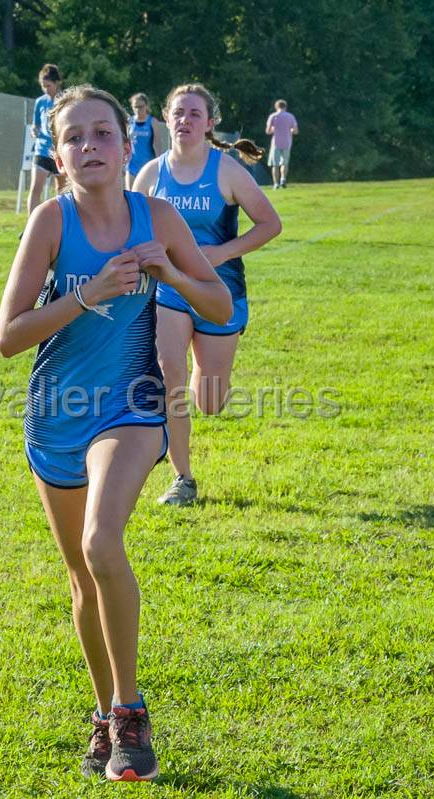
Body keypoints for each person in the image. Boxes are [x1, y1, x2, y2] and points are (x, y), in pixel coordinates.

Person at [0, 85, 231, 781]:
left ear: (129, 148)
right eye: (76, 138)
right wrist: (88, 294)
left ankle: (131, 713)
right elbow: (8, 337)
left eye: (104, 134)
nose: (91, 147)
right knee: (81, 578)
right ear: (58, 154)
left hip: (129, 408)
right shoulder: (48, 222)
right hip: (55, 414)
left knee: (103, 542)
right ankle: (104, 717)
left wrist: (168, 271)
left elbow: (216, 299)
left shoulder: (153, 215)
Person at [133, 83, 282, 506]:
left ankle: (207, 376)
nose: (185, 120)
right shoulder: (149, 175)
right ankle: (183, 478)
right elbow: (129, 228)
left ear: (209, 123)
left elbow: (270, 224)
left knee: (210, 400)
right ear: (167, 119)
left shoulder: (228, 171)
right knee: (168, 377)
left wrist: (222, 252)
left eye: (195, 114)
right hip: (168, 290)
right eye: (178, 113)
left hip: (220, 291)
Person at [28, 64, 66, 215]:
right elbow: (35, 124)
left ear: (57, 83)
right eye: (43, 86)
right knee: (35, 188)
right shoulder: (40, 102)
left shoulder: (65, 100)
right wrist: (34, 130)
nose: (45, 89)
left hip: (58, 151)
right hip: (42, 149)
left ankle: (61, 224)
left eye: (48, 85)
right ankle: (31, 226)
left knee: (61, 190)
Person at [125, 93, 163, 190]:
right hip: (132, 165)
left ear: (146, 106)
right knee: (130, 195)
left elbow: (157, 144)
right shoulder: (130, 122)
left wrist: (161, 164)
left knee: (146, 197)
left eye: (141, 107)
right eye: (135, 107)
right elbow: (125, 142)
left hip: (147, 165)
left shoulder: (152, 122)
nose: (138, 110)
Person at [265, 99, 298, 189]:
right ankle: (283, 179)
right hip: (287, 142)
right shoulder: (290, 116)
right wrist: (289, 130)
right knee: (284, 163)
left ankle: (276, 183)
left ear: (276, 107)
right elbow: (295, 131)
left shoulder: (273, 116)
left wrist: (273, 129)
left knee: (275, 164)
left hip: (276, 143)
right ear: (285, 107)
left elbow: (268, 131)